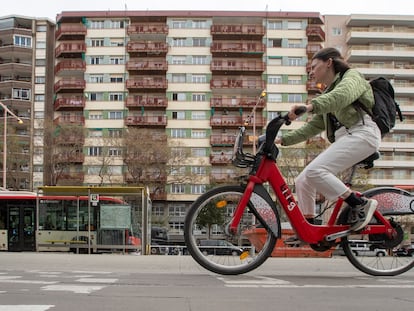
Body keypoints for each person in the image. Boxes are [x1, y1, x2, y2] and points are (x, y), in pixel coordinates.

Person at [276, 47, 381, 243]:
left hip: (362, 134)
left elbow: (341, 96)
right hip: (347, 138)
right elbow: (315, 126)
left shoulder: (352, 77)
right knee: (303, 179)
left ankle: (360, 204)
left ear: (329, 63)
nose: (311, 72)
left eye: (314, 67)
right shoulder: (329, 91)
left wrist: (309, 106)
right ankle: (309, 229)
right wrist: (282, 139)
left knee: (316, 171)